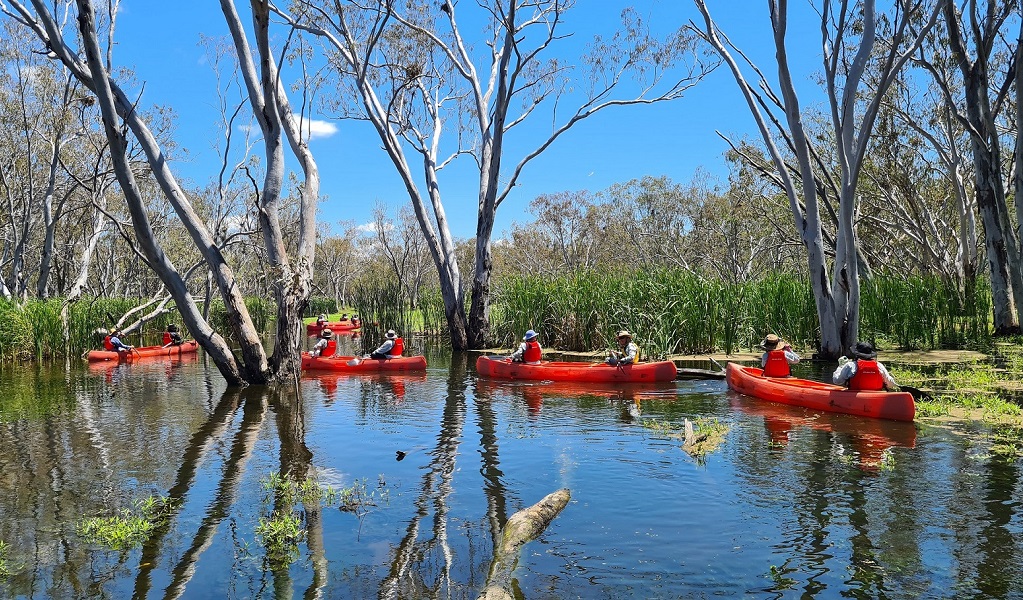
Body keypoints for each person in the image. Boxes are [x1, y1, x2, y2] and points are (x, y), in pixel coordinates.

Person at [832, 341, 899, 391]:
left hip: (855, 397)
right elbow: (890, 384)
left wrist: (840, 367)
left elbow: (837, 381)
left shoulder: (850, 365)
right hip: (876, 397)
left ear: (857, 354)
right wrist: (892, 379)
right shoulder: (879, 366)